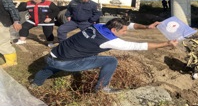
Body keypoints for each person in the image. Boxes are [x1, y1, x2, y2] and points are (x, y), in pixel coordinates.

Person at [30, 18, 177, 93]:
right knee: (110, 61)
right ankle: (102, 87)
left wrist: (147, 27)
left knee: (56, 63)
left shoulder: (98, 25)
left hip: (54, 54)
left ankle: (35, 83)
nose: (125, 33)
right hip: (66, 62)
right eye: (123, 31)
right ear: (114, 30)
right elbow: (140, 46)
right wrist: (166, 44)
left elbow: (129, 25)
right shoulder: (110, 41)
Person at [0, 0, 22, 68]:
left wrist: (16, 21)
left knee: (2, 42)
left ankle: (11, 62)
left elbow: (12, 9)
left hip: (2, 22)